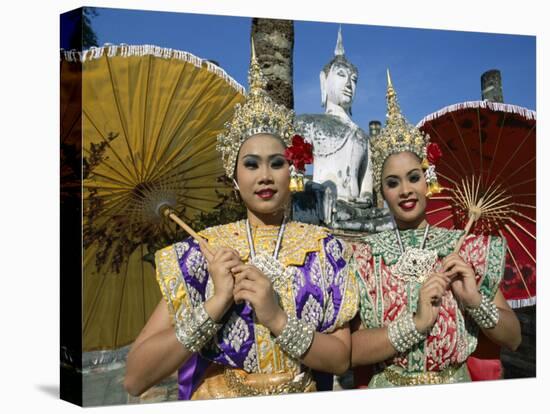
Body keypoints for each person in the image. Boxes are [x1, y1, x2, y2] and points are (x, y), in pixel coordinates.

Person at [123, 44, 358, 400]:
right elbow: (135, 377)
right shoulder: (203, 251)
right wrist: (216, 303)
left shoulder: (324, 248)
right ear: (234, 178)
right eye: (251, 164)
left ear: (291, 170)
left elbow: (341, 360)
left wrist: (276, 317)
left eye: (276, 163)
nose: (264, 175)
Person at [350, 71, 521, 387]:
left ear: (427, 181)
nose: (405, 190)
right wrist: (416, 324)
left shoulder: (466, 248)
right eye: (392, 182)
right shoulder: (365, 256)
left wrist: (474, 302)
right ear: (382, 191)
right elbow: (351, 352)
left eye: (413, 177)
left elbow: (513, 338)